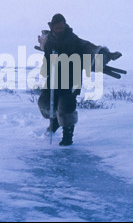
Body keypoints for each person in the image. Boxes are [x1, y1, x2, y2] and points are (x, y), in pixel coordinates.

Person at [37, 13, 121, 146]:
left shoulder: (73, 40)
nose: (60, 30)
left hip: (71, 78)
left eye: (62, 27)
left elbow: (90, 48)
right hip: (52, 78)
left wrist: (107, 55)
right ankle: (56, 123)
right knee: (45, 103)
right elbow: (43, 46)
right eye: (57, 27)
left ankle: (67, 138)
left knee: (66, 108)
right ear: (53, 27)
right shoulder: (48, 40)